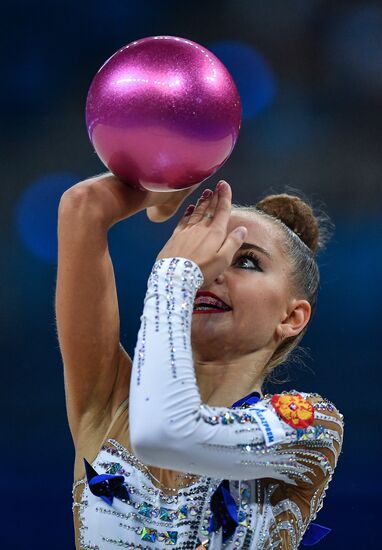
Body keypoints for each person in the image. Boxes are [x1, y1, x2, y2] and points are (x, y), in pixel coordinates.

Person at [56, 173, 344, 549]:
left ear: (291, 317)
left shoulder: (309, 429)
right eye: (207, 254)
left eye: (247, 262)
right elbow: (83, 206)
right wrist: (164, 182)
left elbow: (168, 434)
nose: (211, 273)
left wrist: (175, 273)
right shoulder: (110, 403)